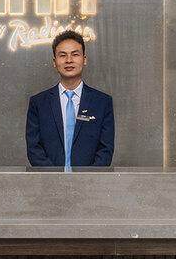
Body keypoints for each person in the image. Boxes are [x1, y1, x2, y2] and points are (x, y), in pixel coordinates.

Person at [25, 30, 114, 170]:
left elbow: (105, 150)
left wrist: (87, 178)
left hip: (90, 181)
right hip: (49, 181)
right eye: (62, 55)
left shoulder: (102, 102)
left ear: (84, 59)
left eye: (75, 54)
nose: (69, 60)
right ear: (54, 62)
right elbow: (34, 149)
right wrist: (55, 178)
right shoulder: (39, 103)